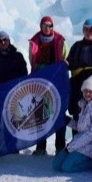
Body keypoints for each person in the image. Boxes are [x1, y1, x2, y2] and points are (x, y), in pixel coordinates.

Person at [52, 74, 92, 173]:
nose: (87, 94)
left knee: (67, 167)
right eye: (85, 91)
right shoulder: (85, 104)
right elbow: (81, 128)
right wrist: (68, 121)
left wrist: (71, 146)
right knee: (56, 165)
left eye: (90, 91)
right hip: (82, 143)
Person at [29, 16, 69, 155]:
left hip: (57, 80)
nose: (47, 28)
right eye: (44, 25)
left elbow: (65, 58)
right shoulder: (34, 41)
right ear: (40, 26)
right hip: (40, 80)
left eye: (50, 25)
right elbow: (32, 60)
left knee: (59, 111)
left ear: (53, 26)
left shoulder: (60, 40)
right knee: (40, 112)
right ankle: (41, 147)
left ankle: (60, 146)